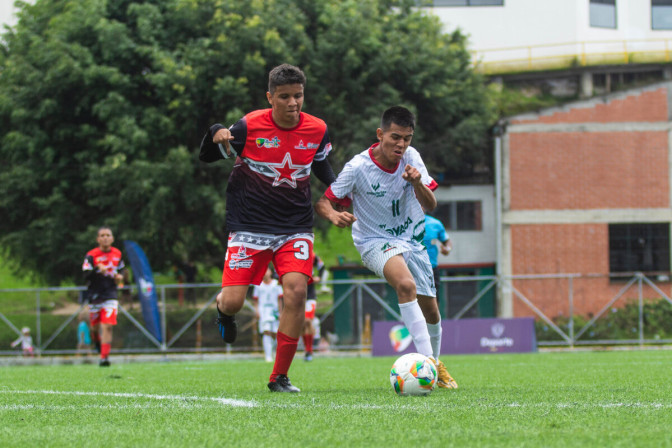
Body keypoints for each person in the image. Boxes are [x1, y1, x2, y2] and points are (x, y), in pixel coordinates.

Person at [199, 63, 337, 392]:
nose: (293, 102)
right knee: (234, 301)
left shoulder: (317, 129)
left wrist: (339, 197)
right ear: (270, 97)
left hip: (295, 225)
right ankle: (224, 310)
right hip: (249, 224)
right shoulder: (249, 127)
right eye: (285, 96)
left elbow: (322, 166)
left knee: (297, 292)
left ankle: (279, 377)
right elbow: (207, 155)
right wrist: (216, 130)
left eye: (298, 95)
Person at [315, 106, 458, 389]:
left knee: (431, 310)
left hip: (411, 239)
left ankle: (436, 363)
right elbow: (323, 202)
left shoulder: (412, 157)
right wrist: (333, 215)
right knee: (405, 285)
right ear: (380, 134)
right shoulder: (358, 167)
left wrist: (417, 183)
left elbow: (430, 205)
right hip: (373, 241)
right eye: (395, 137)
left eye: (407, 138)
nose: (401, 144)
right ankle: (429, 364)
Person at [82, 226, 126, 367]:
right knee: (94, 328)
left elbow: (122, 271)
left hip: (110, 294)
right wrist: (97, 269)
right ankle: (97, 341)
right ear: (98, 239)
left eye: (108, 235)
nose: (105, 238)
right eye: (102, 235)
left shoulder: (117, 254)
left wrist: (120, 277)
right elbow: (85, 275)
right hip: (95, 295)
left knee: (107, 326)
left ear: (112, 238)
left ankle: (104, 358)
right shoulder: (91, 255)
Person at [253, 267, 283, 362]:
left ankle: (274, 351)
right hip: (263, 311)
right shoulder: (258, 285)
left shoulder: (276, 284)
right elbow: (256, 300)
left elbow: (280, 299)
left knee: (275, 332)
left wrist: (281, 312)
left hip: (274, 311)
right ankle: (268, 355)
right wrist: (257, 311)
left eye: (267, 270)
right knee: (266, 331)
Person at [423, 212, 452, 300]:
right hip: (410, 268)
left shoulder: (435, 223)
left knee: (434, 298)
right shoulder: (404, 222)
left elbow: (447, 241)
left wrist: (447, 249)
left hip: (431, 268)